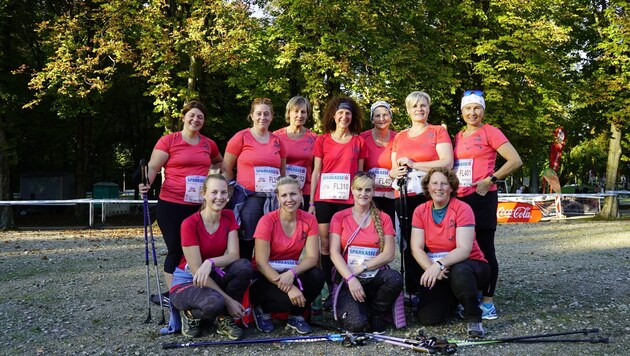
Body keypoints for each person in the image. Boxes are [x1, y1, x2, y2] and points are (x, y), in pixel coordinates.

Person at [139, 100, 223, 293]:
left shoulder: (208, 144)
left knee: (197, 250)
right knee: (176, 249)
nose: (195, 120)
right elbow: (153, 166)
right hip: (172, 204)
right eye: (192, 115)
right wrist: (146, 184)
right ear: (183, 117)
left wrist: (212, 176)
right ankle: (173, 293)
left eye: (200, 117)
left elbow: (218, 161)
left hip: (199, 206)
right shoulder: (169, 140)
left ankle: (196, 288)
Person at [453, 90, 522, 320]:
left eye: (477, 108)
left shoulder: (490, 131)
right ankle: (468, 295)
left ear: (483, 111)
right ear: (462, 111)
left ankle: (488, 302)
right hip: (460, 198)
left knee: (485, 248)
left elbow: (515, 160)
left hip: (482, 196)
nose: (472, 112)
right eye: (468, 108)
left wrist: (491, 179)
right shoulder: (458, 136)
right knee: (463, 249)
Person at [169, 174, 252, 339]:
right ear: (204, 194)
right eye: (214, 192)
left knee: (244, 266)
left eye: (223, 192)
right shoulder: (190, 224)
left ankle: (224, 319)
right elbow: (197, 272)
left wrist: (210, 262)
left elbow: (234, 255)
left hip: (211, 274)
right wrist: (229, 301)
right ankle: (190, 315)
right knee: (216, 302)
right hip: (188, 282)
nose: (219, 197)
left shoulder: (228, 217)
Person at [410, 167, 490, 338]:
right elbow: (416, 247)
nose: (439, 187)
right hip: (439, 268)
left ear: (451, 187)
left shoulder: (462, 208)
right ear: (428, 187)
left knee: (460, 272)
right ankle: (454, 301)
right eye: (434, 183)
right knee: (428, 318)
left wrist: (438, 265)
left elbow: (464, 249)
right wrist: (431, 268)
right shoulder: (420, 211)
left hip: (470, 264)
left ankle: (473, 318)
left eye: (444, 183)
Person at [390, 91, 453, 299]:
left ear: (428, 108)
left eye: (423, 105)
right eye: (415, 106)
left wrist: (415, 165)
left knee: (430, 239)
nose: (419, 109)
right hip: (404, 196)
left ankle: (435, 283)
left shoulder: (437, 131)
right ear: (408, 110)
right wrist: (395, 171)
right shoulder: (399, 136)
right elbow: (393, 167)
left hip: (429, 194)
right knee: (408, 242)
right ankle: (412, 289)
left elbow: (447, 162)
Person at [309, 96, 367, 304]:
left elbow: (360, 174)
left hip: (349, 200)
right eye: (341, 113)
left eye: (348, 113)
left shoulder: (359, 141)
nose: (344, 116)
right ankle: (331, 288)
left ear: (353, 117)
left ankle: (346, 284)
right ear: (333, 115)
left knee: (346, 244)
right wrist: (312, 203)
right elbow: (316, 172)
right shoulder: (322, 140)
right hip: (324, 199)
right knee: (325, 245)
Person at [249, 177, 324, 334]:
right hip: (265, 276)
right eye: (284, 195)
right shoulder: (267, 221)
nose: (289, 199)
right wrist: (290, 288)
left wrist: (292, 273)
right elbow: (262, 263)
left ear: (300, 194)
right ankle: (262, 310)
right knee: (287, 300)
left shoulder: (309, 220)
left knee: (317, 275)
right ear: (277, 197)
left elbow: (312, 258)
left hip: (289, 272)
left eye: (293, 194)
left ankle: (296, 316)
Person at [329, 172, 402, 332]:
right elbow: (334, 253)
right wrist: (350, 278)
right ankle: (361, 311)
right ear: (352, 191)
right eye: (359, 189)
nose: (363, 194)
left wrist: (362, 267)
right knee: (356, 326)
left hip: (373, 275)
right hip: (350, 277)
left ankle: (377, 313)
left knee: (394, 278)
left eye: (368, 190)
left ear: (373, 191)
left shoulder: (384, 218)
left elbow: (389, 254)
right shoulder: (339, 217)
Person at [223, 98, 286, 261]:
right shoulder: (241, 137)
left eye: (267, 114)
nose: (262, 117)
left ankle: (264, 278)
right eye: (258, 113)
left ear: (272, 117)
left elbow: (282, 172)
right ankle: (244, 278)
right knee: (246, 240)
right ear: (251, 115)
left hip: (272, 200)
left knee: (268, 240)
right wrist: (230, 190)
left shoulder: (278, 141)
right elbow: (226, 168)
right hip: (248, 198)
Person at [274, 96, 318, 209]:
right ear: (289, 113)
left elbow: (318, 168)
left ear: (307, 115)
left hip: (306, 191)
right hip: (283, 191)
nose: (300, 115)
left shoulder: (314, 138)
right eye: (296, 111)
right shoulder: (276, 136)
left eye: (303, 112)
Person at [360, 100, 397, 226]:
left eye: (385, 115)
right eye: (377, 115)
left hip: (392, 195)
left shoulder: (398, 138)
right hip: (370, 194)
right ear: (372, 119)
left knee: (390, 230)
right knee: (371, 229)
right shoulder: (362, 138)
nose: (382, 119)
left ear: (391, 118)